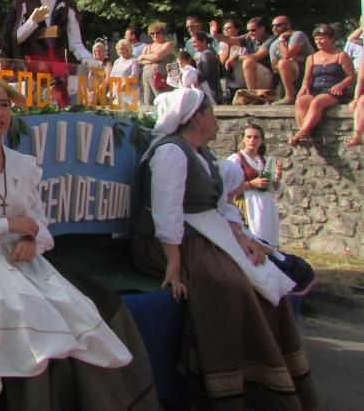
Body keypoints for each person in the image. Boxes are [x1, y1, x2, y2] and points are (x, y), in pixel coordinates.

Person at [0, 77, 157, 409]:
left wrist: (30, 238)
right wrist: (6, 225)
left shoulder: (22, 165)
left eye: (4, 105)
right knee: (17, 310)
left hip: (24, 259)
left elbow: (39, 222)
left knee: (81, 307)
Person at [132, 88, 318, 409]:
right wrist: (173, 264)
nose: (217, 120)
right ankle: (225, 383)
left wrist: (244, 238)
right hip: (167, 242)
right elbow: (167, 211)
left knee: (264, 275)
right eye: (213, 114)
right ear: (198, 119)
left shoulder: (203, 155)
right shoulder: (171, 153)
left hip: (205, 232)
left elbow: (221, 206)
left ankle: (267, 376)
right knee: (228, 284)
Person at [3, 0, 99, 108]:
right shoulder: (25, 0)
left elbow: (76, 43)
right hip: (32, 68)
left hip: (58, 69)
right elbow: (14, 38)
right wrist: (32, 22)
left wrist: (87, 58)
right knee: (32, 107)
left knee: (59, 106)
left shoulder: (66, 4)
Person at [289, 23, 355, 145]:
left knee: (317, 102)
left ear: (331, 39)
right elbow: (307, 78)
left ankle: (301, 132)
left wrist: (340, 85)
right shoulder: (312, 58)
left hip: (334, 91)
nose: (319, 41)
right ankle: (306, 134)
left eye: (322, 38)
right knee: (301, 102)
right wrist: (304, 88)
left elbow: (351, 76)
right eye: (316, 39)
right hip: (316, 90)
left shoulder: (341, 56)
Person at [228, 123, 284, 247]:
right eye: (249, 137)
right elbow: (228, 188)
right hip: (247, 203)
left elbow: (271, 188)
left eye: (256, 137)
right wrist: (251, 183)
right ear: (243, 139)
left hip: (265, 204)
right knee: (253, 236)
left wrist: (276, 178)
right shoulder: (236, 159)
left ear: (262, 140)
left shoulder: (263, 160)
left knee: (268, 238)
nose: (252, 140)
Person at [270, 16, 315, 105]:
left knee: (283, 62)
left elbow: (287, 55)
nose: (274, 28)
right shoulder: (273, 44)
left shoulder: (297, 35)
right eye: (273, 26)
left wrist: (282, 40)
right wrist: (291, 60)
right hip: (290, 71)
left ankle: (289, 96)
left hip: (308, 68)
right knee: (282, 63)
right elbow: (274, 68)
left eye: (278, 25)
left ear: (288, 25)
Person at [137, 21, 175, 104]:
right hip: (146, 76)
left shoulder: (168, 44)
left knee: (161, 101)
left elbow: (157, 56)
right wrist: (152, 59)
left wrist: (144, 57)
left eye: (158, 33)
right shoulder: (149, 46)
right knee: (148, 102)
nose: (155, 35)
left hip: (162, 78)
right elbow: (139, 61)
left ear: (163, 33)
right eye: (152, 33)